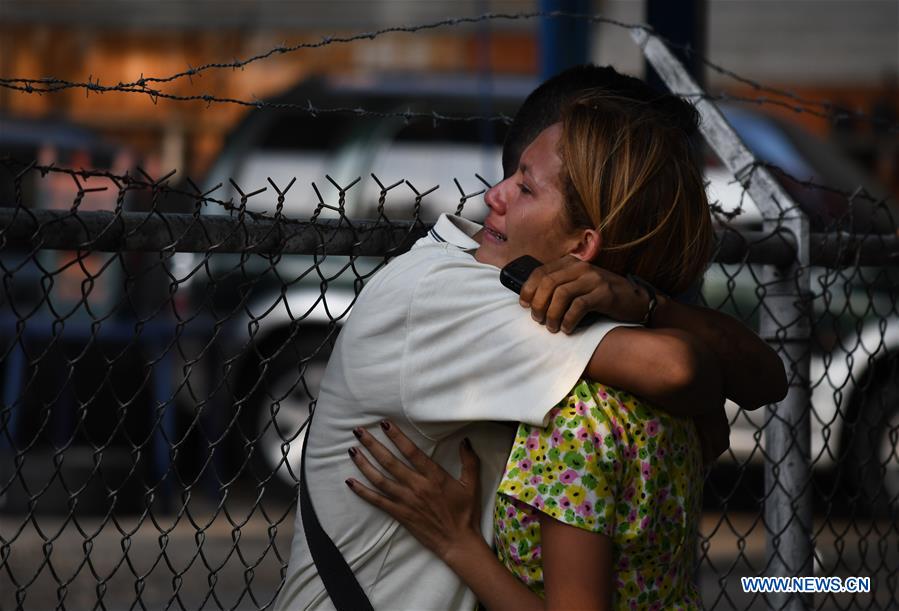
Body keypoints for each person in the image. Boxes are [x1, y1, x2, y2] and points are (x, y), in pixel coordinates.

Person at [274, 67, 786, 611]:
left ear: (584, 245)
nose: (492, 195)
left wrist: (458, 544)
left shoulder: (583, 408)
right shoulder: (453, 292)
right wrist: (696, 385)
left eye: (524, 185)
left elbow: (725, 374)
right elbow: (690, 372)